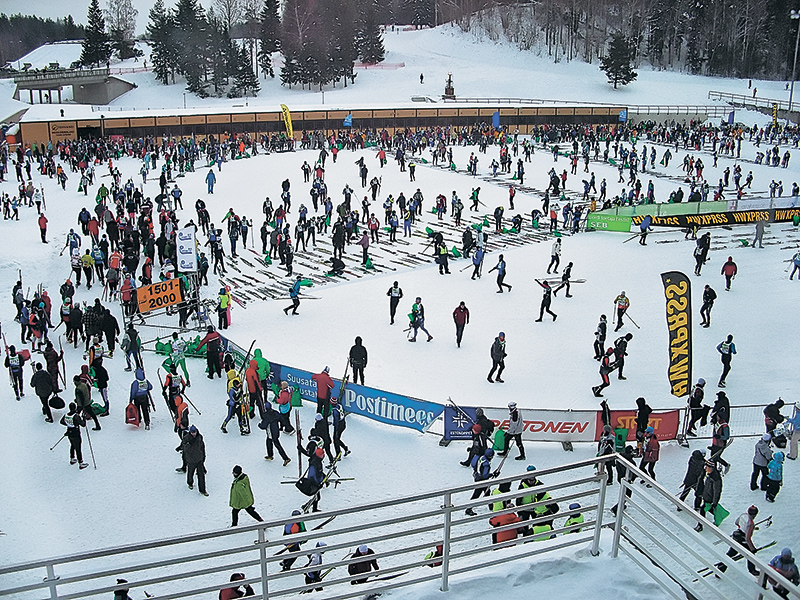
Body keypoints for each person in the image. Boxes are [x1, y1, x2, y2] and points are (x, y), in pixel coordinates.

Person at [258, 401, 291, 466]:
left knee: (277, 445)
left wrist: (259, 425)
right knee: (268, 442)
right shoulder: (275, 413)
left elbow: (263, 426)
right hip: (276, 431)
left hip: (271, 432)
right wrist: (282, 426)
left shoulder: (266, 415)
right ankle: (270, 455)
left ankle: (285, 458)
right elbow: (281, 419)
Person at [465, 448, 495, 516]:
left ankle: (491, 506)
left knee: (487, 491)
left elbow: (473, 464)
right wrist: (492, 474)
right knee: (476, 494)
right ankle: (468, 509)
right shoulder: (486, 464)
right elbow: (485, 475)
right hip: (482, 480)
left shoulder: (482, 458)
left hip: (477, 476)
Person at [695, 460, 722, 532]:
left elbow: (717, 491)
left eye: (707, 467)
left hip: (710, 498)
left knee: (703, 510)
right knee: (709, 509)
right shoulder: (709, 475)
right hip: (706, 496)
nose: (705, 468)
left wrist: (715, 502)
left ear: (712, 468)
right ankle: (718, 515)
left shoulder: (715, 479)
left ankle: (700, 525)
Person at [60, 402, 88, 469]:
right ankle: (81, 463)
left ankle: (72, 458)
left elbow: (61, 422)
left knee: (72, 445)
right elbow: (83, 424)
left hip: (69, 432)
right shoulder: (75, 416)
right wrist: (84, 418)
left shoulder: (66, 415)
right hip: (76, 433)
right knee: (78, 448)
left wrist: (68, 424)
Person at [183, 425, 208, 496]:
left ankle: (202, 490)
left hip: (199, 459)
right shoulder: (186, 438)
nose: (194, 434)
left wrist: (203, 456)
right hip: (191, 460)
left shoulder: (199, 437)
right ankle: (190, 483)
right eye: (192, 432)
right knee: (190, 473)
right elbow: (185, 449)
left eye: (194, 432)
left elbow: (202, 447)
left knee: (201, 475)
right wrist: (189, 444)